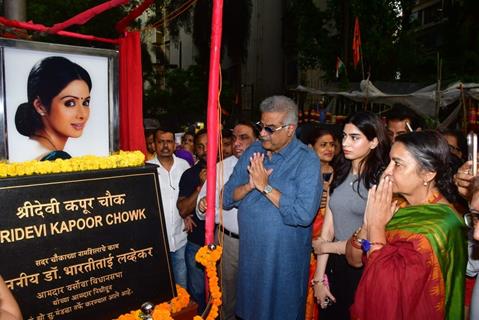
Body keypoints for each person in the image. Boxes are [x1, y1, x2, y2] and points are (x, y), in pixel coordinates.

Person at [346, 131, 466, 319]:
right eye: (389, 162)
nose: (386, 171)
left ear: (427, 173)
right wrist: (368, 224)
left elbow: (388, 290)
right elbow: (353, 260)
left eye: (398, 164)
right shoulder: (395, 204)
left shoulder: (440, 226)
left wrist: (377, 227)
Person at [223, 95, 322, 319]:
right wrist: (250, 185)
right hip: (251, 261)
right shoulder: (253, 152)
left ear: (290, 129)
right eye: (261, 126)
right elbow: (226, 197)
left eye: (270, 128)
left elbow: (304, 214)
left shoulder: (306, 161)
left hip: (283, 265)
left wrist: (266, 187)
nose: (263, 133)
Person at [312, 112, 390, 319]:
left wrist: (327, 247)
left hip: (362, 266)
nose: (345, 143)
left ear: (373, 142)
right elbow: (328, 228)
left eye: (355, 138)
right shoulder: (340, 170)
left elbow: (371, 237)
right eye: (344, 136)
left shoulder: (380, 182)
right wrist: (319, 279)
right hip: (333, 265)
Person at [196, 122, 258, 319]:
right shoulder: (221, 167)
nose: (237, 143)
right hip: (227, 241)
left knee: (255, 295)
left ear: (257, 139)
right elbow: (201, 207)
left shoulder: (268, 165)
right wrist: (202, 206)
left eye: (244, 138)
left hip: (258, 243)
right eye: (234, 138)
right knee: (225, 296)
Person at [15, 56, 92, 160]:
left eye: (85, 102)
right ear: (40, 106)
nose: (82, 114)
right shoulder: (55, 160)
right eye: (70, 103)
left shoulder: (25, 148)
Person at [147, 128, 190, 289]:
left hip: (180, 238)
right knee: (159, 287)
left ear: (175, 144)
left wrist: (189, 214)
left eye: (169, 141)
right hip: (157, 241)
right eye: (161, 141)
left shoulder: (184, 166)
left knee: (181, 286)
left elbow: (191, 195)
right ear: (154, 144)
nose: (165, 145)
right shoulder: (147, 168)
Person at [305, 127, 336, 320]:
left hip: (331, 243)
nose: (329, 149)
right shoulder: (305, 175)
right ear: (310, 147)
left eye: (332, 144)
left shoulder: (340, 173)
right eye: (323, 145)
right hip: (307, 243)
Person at [177, 129, 208, 312]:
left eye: (208, 145)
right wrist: (201, 187)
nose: (205, 150)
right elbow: (183, 210)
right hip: (196, 243)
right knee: (197, 292)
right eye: (200, 146)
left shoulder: (228, 169)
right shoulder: (189, 174)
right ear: (195, 150)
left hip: (223, 245)